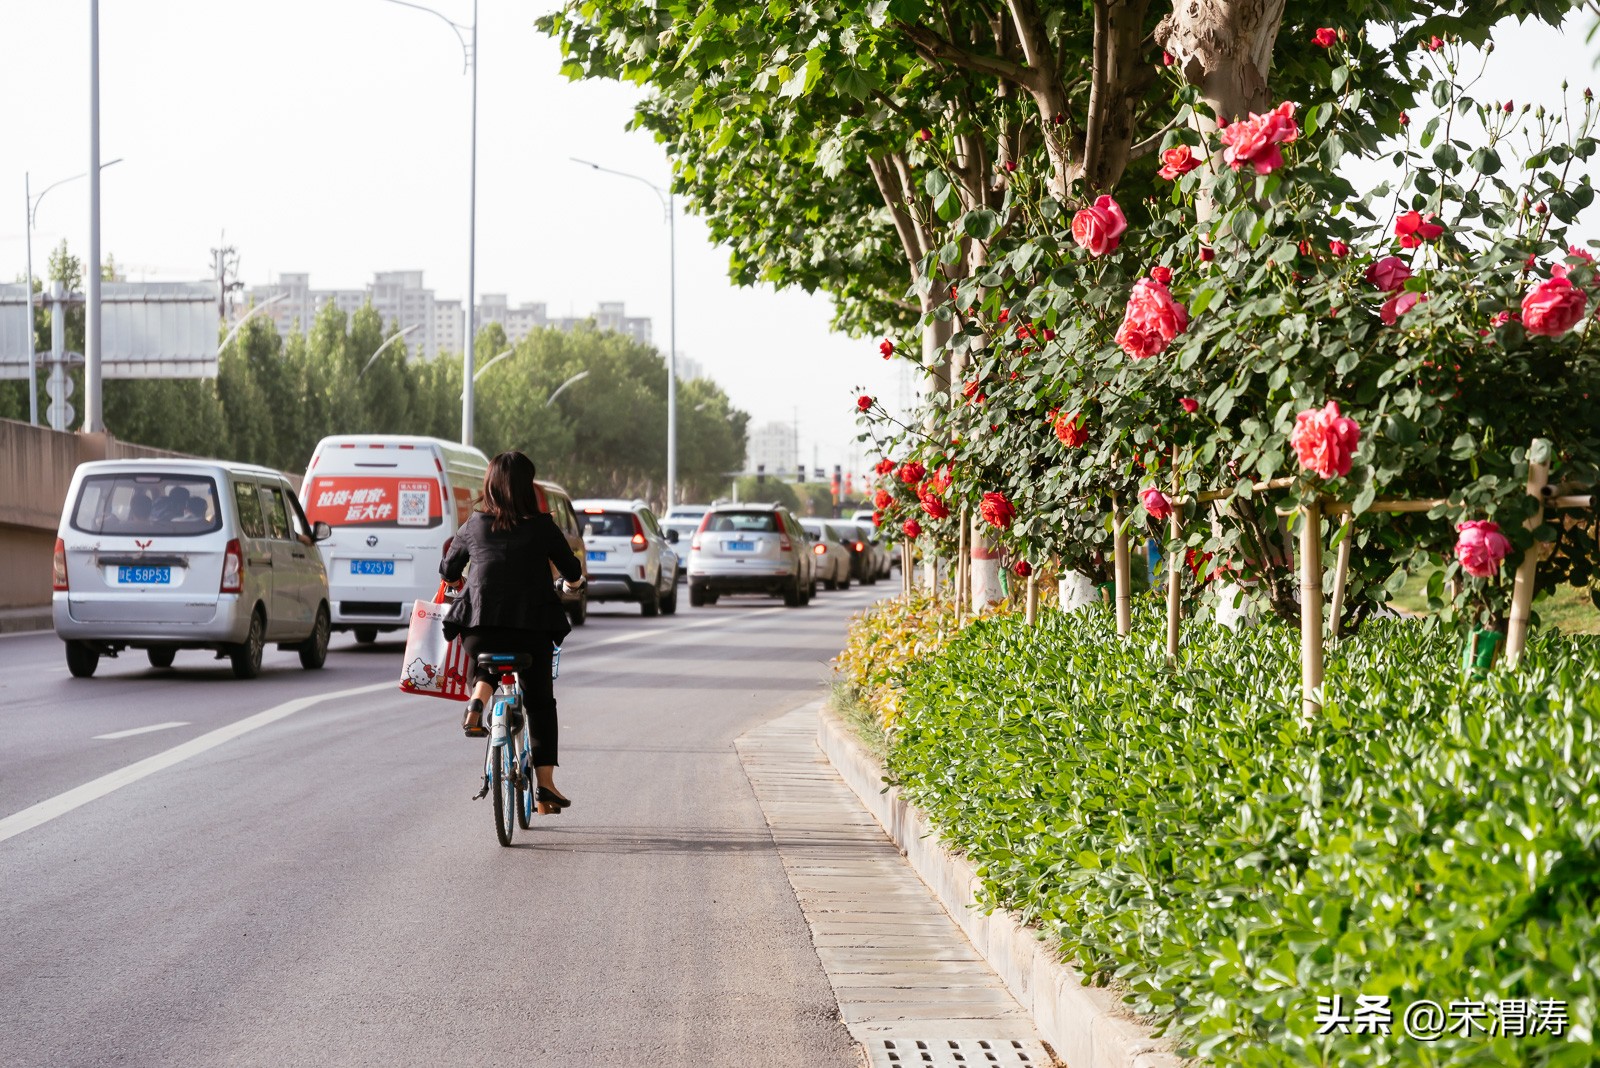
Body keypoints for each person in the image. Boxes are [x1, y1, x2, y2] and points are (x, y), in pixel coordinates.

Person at [440, 451, 585, 814]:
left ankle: (478, 699)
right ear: (527, 488)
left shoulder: (473, 524)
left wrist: (458, 581)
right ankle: (546, 788)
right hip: (531, 631)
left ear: (489, 485)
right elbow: (571, 571)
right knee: (539, 702)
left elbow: (448, 569)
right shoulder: (542, 526)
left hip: (479, 629)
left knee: (487, 650)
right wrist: (573, 585)